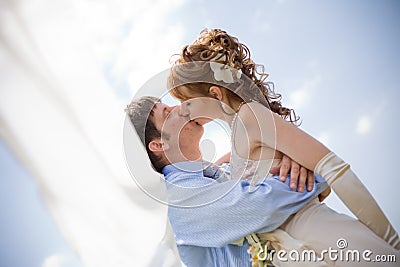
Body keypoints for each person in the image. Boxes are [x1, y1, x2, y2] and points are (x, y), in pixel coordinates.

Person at [165, 29, 400, 265]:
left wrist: (390, 241)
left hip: (328, 235)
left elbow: (334, 168)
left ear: (214, 94)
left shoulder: (252, 116)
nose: (182, 111)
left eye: (187, 102)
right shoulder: (236, 139)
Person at [125, 97, 399, 266]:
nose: (180, 109)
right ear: (159, 144)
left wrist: (288, 160)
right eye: (167, 112)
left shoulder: (221, 169)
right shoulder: (183, 200)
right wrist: (308, 171)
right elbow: (262, 205)